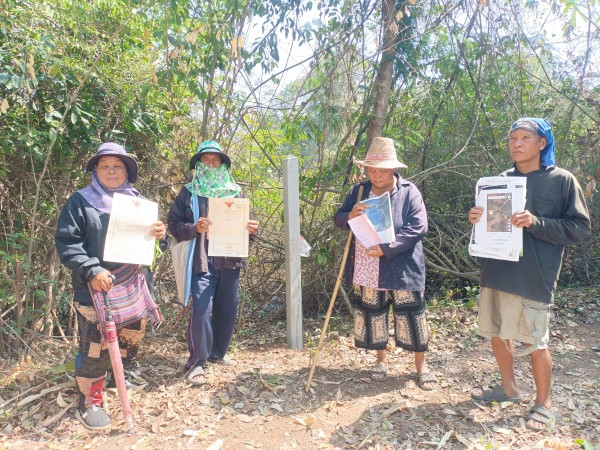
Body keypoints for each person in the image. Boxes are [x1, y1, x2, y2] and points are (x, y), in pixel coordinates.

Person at [468, 118, 591, 431]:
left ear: (542, 143)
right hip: (496, 270)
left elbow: (579, 228)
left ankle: (543, 403)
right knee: (498, 332)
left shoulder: (562, 180)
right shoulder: (500, 180)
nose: (517, 143)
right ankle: (508, 389)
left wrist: (537, 223)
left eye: (525, 137)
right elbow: (490, 223)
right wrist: (477, 217)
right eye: (512, 138)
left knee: (535, 341)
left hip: (534, 275)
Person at [55, 143, 166, 430]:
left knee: (130, 338)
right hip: (95, 287)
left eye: (118, 166)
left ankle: (118, 377)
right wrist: (91, 270)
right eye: (104, 166)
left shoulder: (139, 204)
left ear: (127, 171)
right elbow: (68, 243)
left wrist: (160, 235)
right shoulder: (80, 202)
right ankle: (90, 400)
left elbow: (157, 247)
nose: (112, 171)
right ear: (95, 171)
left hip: (133, 287)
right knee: (95, 346)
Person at [334, 137, 436, 390]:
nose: (377, 175)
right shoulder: (359, 190)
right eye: (372, 170)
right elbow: (338, 219)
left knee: (412, 314)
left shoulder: (408, 191)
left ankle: (421, 366)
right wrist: (350, 214)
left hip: (401, 265)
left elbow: (419, 226)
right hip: (367, 262)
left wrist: (387, 248)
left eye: (382, 170)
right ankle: (381, 362)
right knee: (374, 314)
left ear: (393, 170)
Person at [167, 140, 259, 386]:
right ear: (198, 164)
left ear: (222, 165)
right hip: (201, 259)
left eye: (215, 160)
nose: (210, 164)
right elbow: (174, 224)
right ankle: (197, 362)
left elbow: (247, 226)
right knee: (201, 309)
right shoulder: (189, 193)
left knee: (227, 308)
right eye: (205, 159)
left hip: (229, 259)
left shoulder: (235, 192)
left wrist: (252, 229)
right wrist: (194, 228)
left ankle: (217, 353)